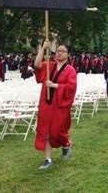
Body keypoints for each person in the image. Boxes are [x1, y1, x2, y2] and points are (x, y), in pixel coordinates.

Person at [34, 40, 77, 170]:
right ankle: (48, 159)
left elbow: (71, 87)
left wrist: (55, 85)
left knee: (57, 132)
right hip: (46, 104)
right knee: (46, 131)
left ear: (68, 54)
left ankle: (66, 143)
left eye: (62, 51)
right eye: (57, 51)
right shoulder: (50, 66)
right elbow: (36, 65)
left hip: (60, 106)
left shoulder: (70, 70)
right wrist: (43, 48)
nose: (59, 53)